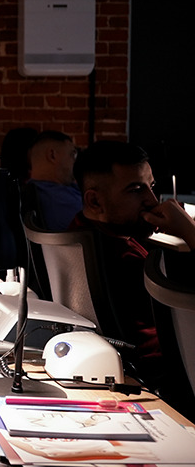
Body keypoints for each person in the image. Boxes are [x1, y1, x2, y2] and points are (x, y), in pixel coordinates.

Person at [73, 140, 195, 382]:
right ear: (95, 201)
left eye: (151, 186)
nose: (152, 200)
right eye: (136, 190)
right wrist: (189, 230)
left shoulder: (78, 235)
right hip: (172, 374)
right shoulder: (126, 258)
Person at [24, 130, 81, 230]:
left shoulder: (35, 191)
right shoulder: (58, 200)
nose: (75, 161)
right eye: (72, 155)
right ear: (52, 155)